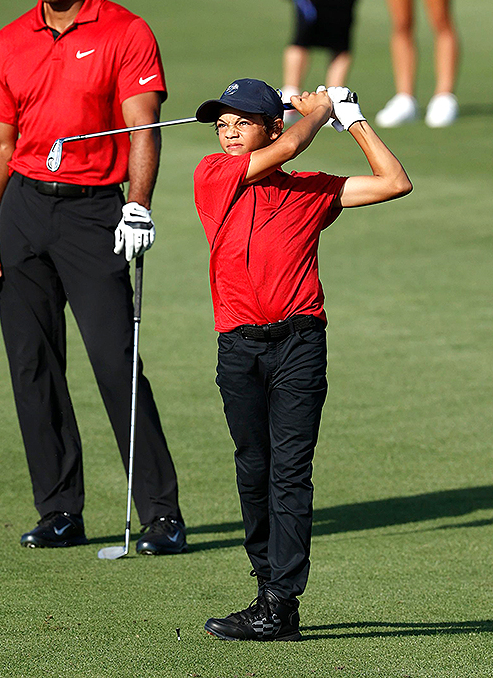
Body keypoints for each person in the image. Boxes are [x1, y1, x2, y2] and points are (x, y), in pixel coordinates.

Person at [0, 0, 186, 555]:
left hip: (95, 213)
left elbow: (142, 127)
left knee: (116, 361)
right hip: (23, 211)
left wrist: (139, 204)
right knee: (32, 364)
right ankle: (60, 509)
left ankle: (161, 515)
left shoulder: (126, 31)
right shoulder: (10, 40)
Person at [193, 78, 411, 641]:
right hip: (238, 346)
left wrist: (352, 118)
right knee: (253, 471)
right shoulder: (213, 177)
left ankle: (279, 603)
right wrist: (315, 111)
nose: (229, 132)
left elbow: (395, 182)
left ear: (268, 124)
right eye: (223, 123)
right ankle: (266, 587)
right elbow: (288, 148)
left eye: (242, 122)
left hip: (298, 344)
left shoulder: (311, 191)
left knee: (289, 474)